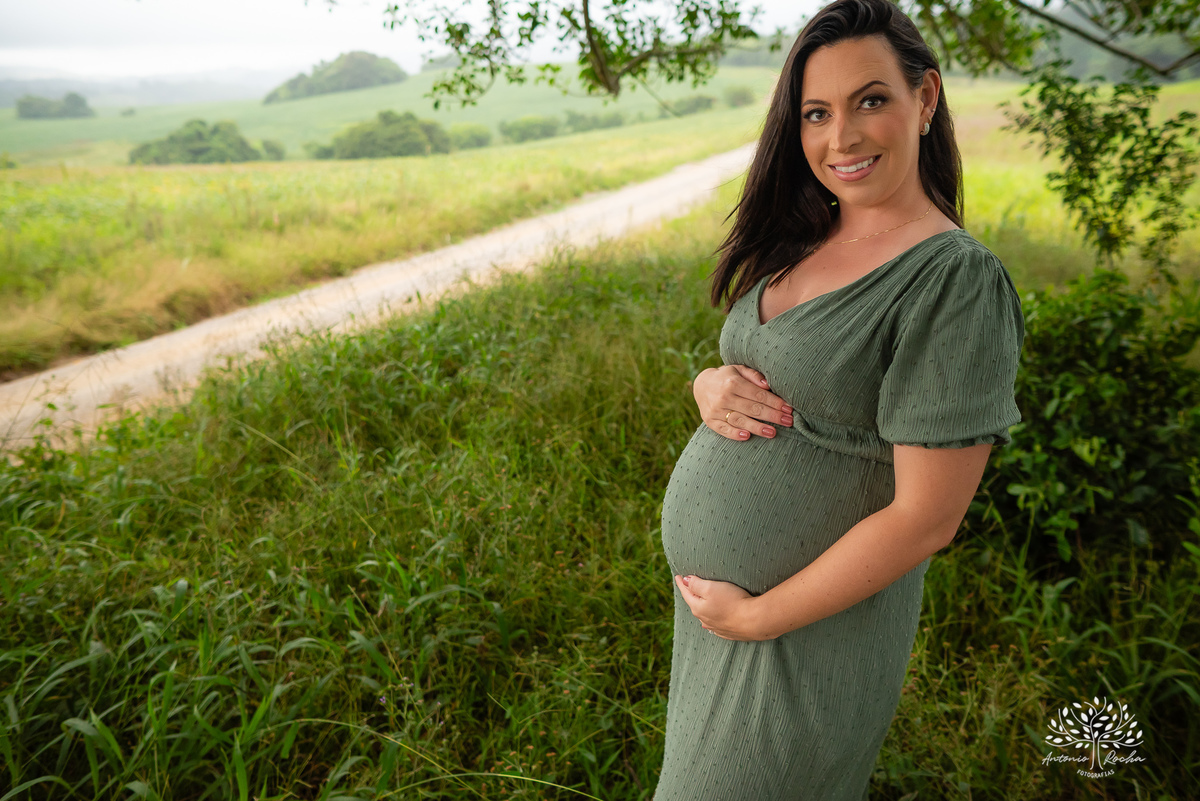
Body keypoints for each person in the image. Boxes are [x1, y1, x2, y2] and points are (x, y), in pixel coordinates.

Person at [653, 0, 1025, 798]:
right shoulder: (807, 236)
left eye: (871, 100)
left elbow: (929, 517)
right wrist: (706, 384)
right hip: (724, 623)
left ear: (925, 100)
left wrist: (761, 617)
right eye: (816, 113)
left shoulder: (952, 280)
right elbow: (773, 368)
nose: (841, 138)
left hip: (801, 632)